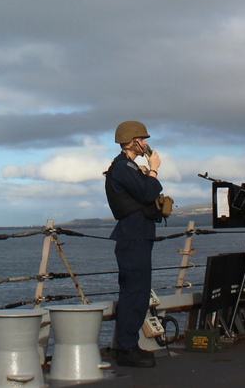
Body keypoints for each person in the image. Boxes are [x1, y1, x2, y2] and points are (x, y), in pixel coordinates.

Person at [104, 119, 162, 367]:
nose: (146, 144)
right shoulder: (122, 168)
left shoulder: (129, 168)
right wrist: (154, 168)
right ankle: (126, 349)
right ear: (132, 142)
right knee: (133, 293)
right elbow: (147, 193)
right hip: (133, 236)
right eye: (143, 139)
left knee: (139, 293)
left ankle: (130, 345)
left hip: (139, 235)